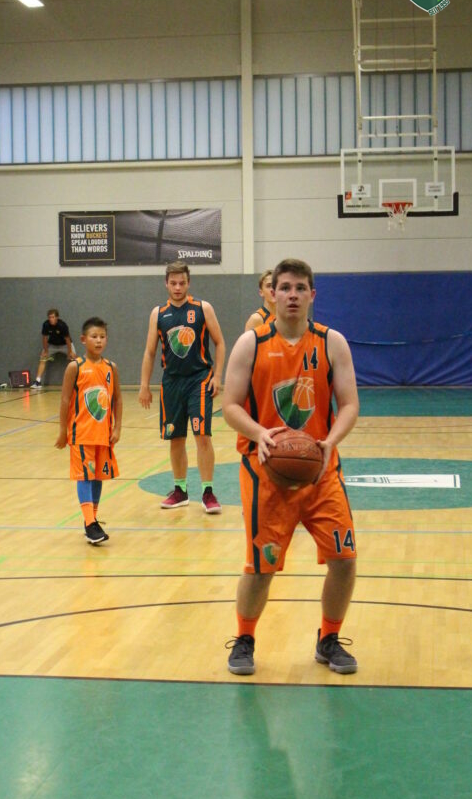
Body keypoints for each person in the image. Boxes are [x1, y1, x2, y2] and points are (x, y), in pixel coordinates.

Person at [222, 258, 359, 676]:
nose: (292, 295)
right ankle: (244, 638)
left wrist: (330, 442)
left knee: (344, 558)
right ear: (272, 293)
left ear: (312, 295)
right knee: (261, 567)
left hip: (320, 468)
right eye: (285, 288)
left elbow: (350, 404)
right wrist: (260, 433)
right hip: (266, 469)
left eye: (300, 288)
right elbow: (229, 406)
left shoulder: (332, 342)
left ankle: (329, 639)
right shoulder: (251, 343)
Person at [138, 261, 226, 513]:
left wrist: (217, 376)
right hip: (171, 382)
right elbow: (149, 352)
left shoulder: (202, 308)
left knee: (202, 436)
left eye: (182, 283)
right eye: (173, 283)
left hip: (199, 379)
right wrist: (144, 385)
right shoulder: (158, 313)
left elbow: (220, 343)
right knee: (175, 438)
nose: (177, 287)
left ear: (189, 283)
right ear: (166, 283)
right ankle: (180, 490)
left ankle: (208, 492)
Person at [55, 317, 122, 545]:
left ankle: (91, 521)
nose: (99, 341)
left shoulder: (111, 368)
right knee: (84, 475)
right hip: (81, 433)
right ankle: (90, 523)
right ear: (83, 340)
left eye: (102, 337)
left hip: (103, 434)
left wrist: (117, 427)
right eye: (94, 336)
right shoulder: (75, 367)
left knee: (97, 476)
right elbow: (65, 400)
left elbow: (117, 399)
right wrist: (62, 430)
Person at [31, 309, 75, 388]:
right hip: (52, 345)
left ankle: (76, 381)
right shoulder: (46, 324)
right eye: (49, 317)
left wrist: (70, 352)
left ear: (57, 317)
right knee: (43, 358)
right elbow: (44, 338)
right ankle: (37, 381)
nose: (51, 319)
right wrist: (46, 351)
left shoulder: (62, 325)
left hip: (65, 345)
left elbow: (67, 339)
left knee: (74, 359)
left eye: (53, 317)